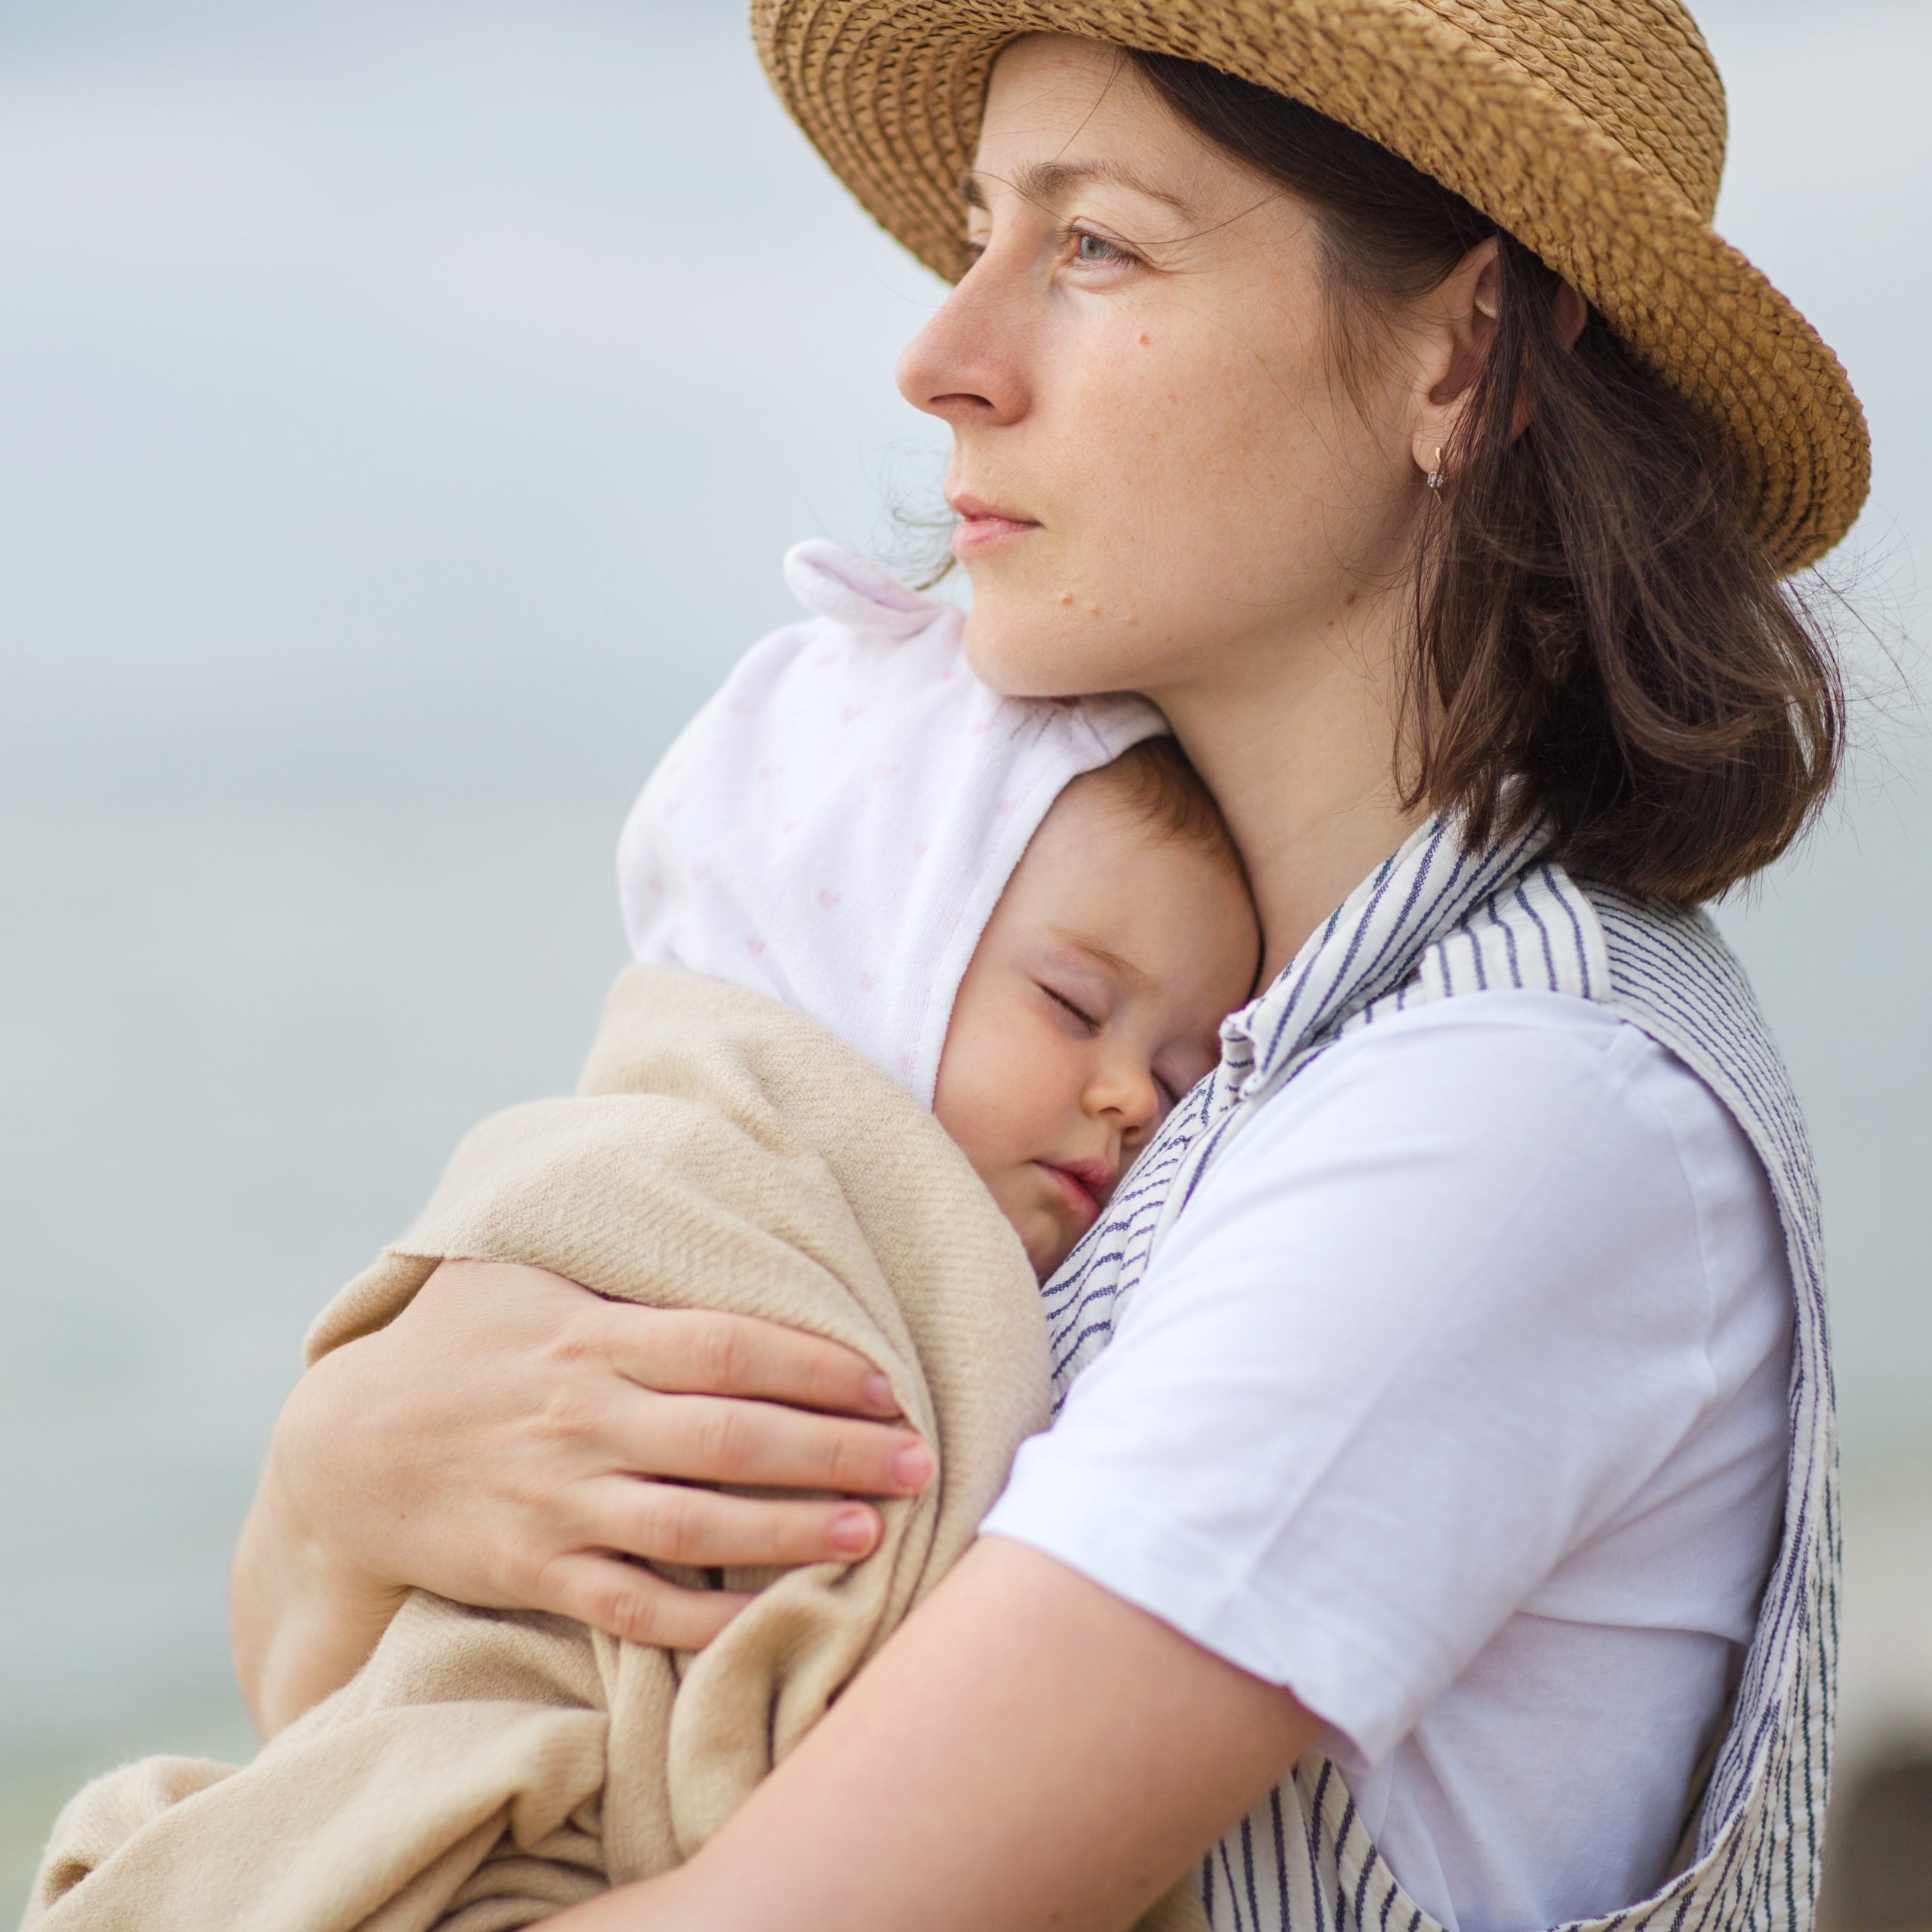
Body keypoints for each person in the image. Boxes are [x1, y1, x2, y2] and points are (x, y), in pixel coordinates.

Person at [226, 5, 1866, 1930]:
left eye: (1090, 246)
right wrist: (345, 1474)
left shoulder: (1511, 1115)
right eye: (981, 236)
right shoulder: (1200, 1060)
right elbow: (395, 1742)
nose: (942, 358)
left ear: (1463, 349)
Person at [27, 541, 1258, 1930]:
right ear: (882, 951)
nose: (1128, 1100)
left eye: (1179, 1072)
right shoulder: (689, 1180)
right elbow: (365, 1660)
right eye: (1074, 1004)